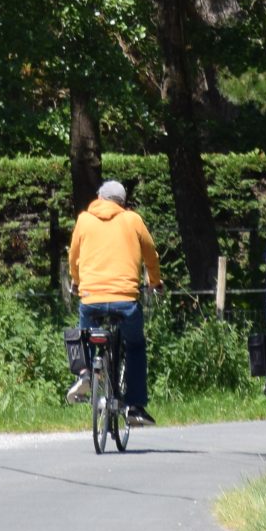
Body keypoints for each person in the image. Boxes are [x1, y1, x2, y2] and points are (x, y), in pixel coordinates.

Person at [66, 178, 162, 425]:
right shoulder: (133, 220)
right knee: (135, 346)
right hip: (125, 300)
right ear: (123, 202)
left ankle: (85, 372)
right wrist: (155, 281)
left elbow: (73, 256)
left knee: (83, 334)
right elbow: (151, 254)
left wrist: (77, 282)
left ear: (99, 198)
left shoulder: (84, 220)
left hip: (91, 299)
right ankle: (135, 407)